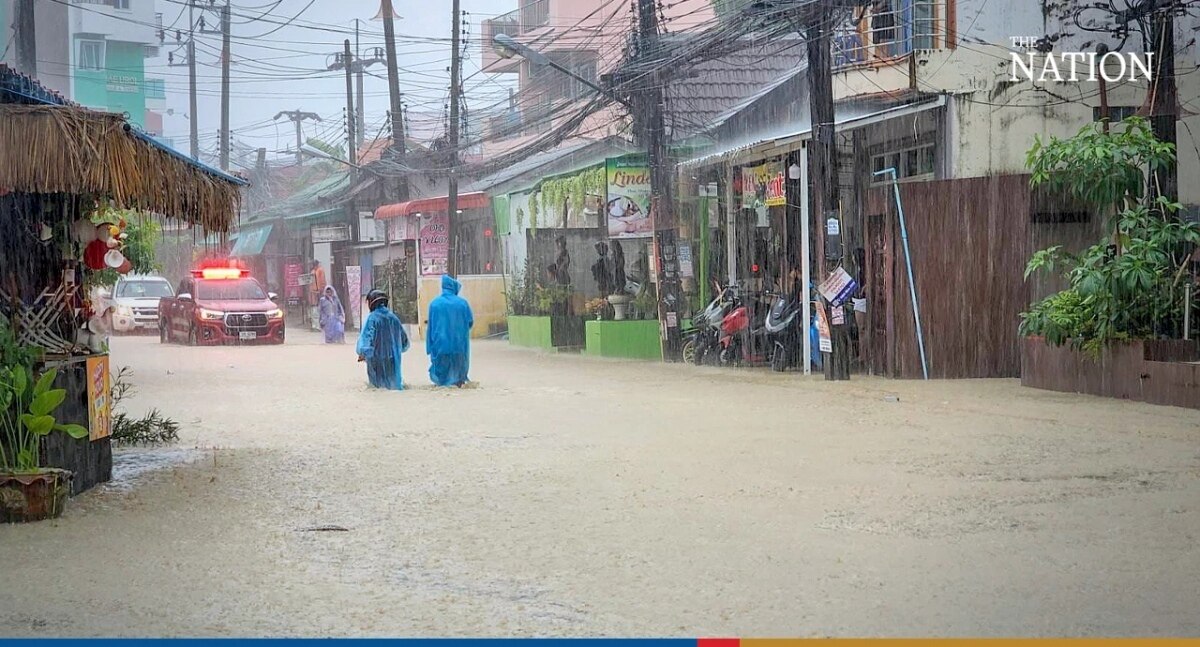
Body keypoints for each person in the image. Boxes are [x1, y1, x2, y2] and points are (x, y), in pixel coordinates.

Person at [426, 274, 474, 387]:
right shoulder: (463, 303)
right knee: (459, 381)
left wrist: (430, 346)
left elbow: (431, 327)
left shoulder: (434, 304)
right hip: (459, 347)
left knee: (441, 381)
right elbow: (470, 322)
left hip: (440, 347)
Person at [356, 289, 409, 390]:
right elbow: (404, 341)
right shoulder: (393, 318)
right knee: (393, 387)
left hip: (376, 360)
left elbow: (367, 338)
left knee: (377, 388)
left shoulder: (372, 318)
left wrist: (363, 353)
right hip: (393, 359)